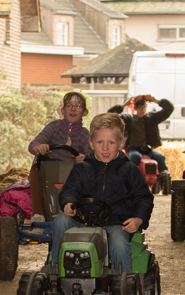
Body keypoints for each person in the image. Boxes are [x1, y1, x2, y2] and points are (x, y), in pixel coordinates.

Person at [50, 112, 154, 272]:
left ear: (121, 143)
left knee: (119, 244)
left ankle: (124, 282)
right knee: (61, 221)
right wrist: (68, 202)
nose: (105, 148)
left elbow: (143, 197)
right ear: (91, 143)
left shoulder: (129, 170)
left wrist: (138, 219)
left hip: (116, 223)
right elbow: (70, 189)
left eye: (111, 142)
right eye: (100, 142)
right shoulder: (82, 168)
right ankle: (56, 268)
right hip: (82, 220)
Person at [27, 92, 90, 219]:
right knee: (35, 168)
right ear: (62, 110)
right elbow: (34, 143)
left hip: (71, 173)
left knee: (88, 173)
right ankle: (38, 215)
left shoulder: (84, 134)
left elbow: (91, 154)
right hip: (48, 172)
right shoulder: (54, 127)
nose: (73, 109)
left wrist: (85, 157)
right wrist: (39, 148)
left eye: (78, 106)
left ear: (85, 112)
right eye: (69, 106)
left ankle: (76, 213)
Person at [108, 94, 173, 176]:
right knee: (135, 156)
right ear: (135, 108)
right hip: (133, 149)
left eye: (144, 107)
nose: (143, 110)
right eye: (140, 108)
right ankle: (130, 176)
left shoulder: (151, 118)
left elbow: (169, 109)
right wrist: (125, 104)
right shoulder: (128, 119)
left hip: (147, 149)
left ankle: (164, 176)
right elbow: (110, 115)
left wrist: (156, 101)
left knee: (160, 157)